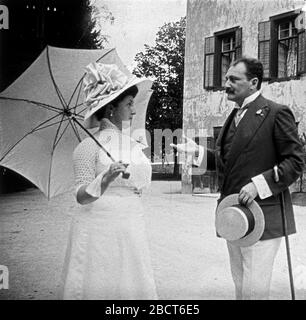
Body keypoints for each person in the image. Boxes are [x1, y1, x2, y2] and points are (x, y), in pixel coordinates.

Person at [172, 57, 304, 300]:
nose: (226, 84)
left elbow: (295, 162)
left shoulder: (276, 113)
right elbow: (229, 164)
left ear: (253, 82)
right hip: (234, 215)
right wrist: (198, 154)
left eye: (234, 79)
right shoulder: (233, 116)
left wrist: (258, 185)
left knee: (254, 290)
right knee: (241, 286)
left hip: (263, 216)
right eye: (226, 79)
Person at [60, 63, 158, 300]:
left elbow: (140, 186)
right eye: (129, 104)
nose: (134, 111)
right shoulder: (87, 147)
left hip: (131, 226)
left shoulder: (134, 145)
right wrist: (104, 179)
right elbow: (81, 196)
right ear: (112, 108)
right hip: (98, 227)